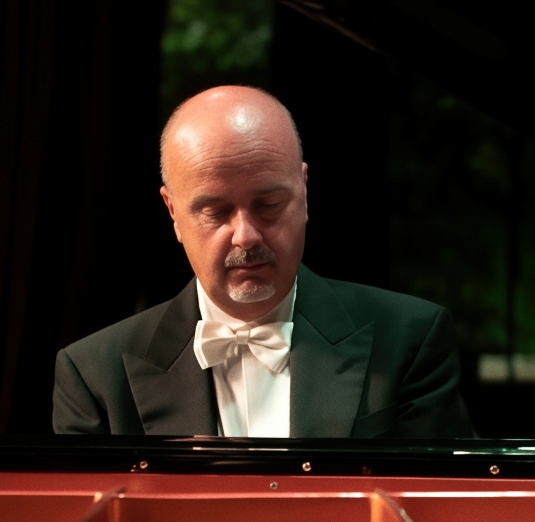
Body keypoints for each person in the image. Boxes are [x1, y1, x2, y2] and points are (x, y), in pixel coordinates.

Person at [53, 85, 473, 438]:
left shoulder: (410, 341)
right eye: (215, 212)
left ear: (304, 192)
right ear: (173, 212)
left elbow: (439, 503)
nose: (246, 235)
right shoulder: (93, 375)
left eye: (269, 204)